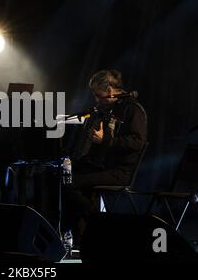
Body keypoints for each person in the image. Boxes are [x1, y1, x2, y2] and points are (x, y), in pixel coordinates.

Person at [62, 69, 148, 242]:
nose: (96, 99)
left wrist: (105, 141)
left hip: (119, 170)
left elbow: (137, 142)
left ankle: (102, 224)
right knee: (62, 177)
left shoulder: (133, 109)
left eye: (97, 95)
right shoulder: (108, 108)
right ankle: (78, 236)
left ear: (109, 90)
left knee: (70, 184)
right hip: (101, 165)